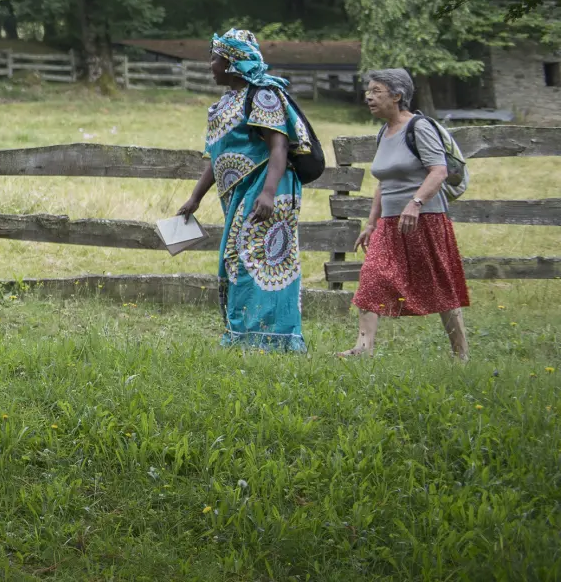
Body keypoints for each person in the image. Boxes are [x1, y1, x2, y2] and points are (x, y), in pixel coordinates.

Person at [176, 29, 315, 352]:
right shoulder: (227, 102)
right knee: (236, 259)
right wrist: (195, 198)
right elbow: (218, 156)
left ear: (233, 62)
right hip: (241, 192)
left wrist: (267, 194)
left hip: (269, 186)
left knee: (260, 260)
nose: (210, 65)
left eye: (215, 58)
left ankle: (274, 339)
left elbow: (278, 146)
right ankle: (245, 336)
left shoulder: (263, 94)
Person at [340, 69, 470, 360]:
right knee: (371, 277)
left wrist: (416, 203)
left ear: (397, 96)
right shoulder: (383, 133)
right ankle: (364, 348)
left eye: (377, 91)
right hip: (389, 223)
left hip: (426, 219)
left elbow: (439, 171)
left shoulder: (419, 128)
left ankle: (461, 354)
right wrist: (371, 223)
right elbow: (383, 183)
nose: (369, 97)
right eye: (368, 91)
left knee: (440, 286)